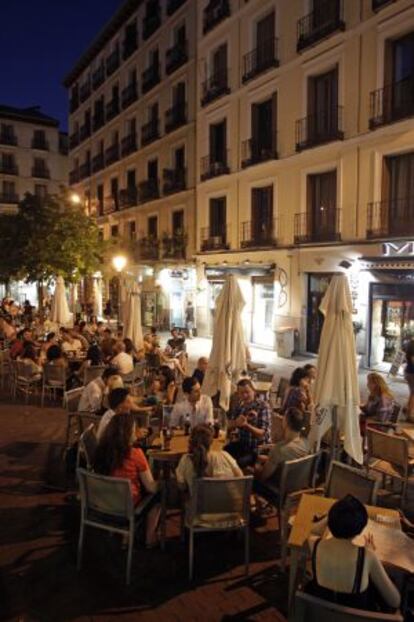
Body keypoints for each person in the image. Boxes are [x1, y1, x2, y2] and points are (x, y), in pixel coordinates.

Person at [306, 495, 400, 612]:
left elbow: (313, 530)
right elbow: (395, 601)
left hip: (321, 616)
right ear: (360, 530)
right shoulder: (367, 556)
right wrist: (369, 550)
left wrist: (330, 516)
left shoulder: (314, 544)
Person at [93, 412, 160, 547]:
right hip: (126, 507)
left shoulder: (101, 450)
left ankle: (125, 534)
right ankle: (150, 537)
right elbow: (151, 487)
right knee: (158, 495)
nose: (136, 432)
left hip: (103, 504)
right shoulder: (135, 454)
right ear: (127, 433)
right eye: (134, 429)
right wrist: (163, 482)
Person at [176, 424, 242, 497]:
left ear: (191, 440)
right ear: (211, 441)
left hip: (200, 507)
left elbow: (182, 487)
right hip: (230, 506)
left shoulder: (186, 460)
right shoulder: (225, 455)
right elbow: (241, 478)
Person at [254, 408, 309, 487]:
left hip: (275, 490)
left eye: (284, 417)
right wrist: (269, 458)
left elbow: (263, 476)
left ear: (286, 423)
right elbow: (286, 459)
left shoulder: (279, 450)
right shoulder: (306, 443)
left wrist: (257, 464)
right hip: (296, 487)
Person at [225, 378, 271, 468]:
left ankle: (241, 480)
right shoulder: (240, 405)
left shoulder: (263, 406)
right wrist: (235, 423)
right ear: (238, 394)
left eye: (247, 392)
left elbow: (262, 434)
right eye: (241, 393)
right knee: (222, 454)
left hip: (258, 448)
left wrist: (246, 425)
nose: (245, 395)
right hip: (242, 444)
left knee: (238, 463)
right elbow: (230, 424)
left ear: (253, 391)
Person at [404, 337, 414, 421]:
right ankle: (409, 415)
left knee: (412, 393)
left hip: (409, 371)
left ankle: (407, 408)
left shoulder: (410, 343)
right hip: (412, 372)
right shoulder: (412, 344)